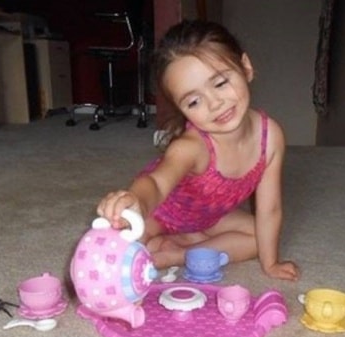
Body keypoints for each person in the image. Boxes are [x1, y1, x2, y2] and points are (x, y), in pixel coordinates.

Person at [97, 19, 299, 281]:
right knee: (117, 251)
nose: (214, 104)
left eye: (220, 83)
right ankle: (174, 240)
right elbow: (156, 185)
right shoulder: (192, 147)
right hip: (159, 214)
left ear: (246, 67)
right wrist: (136, 201)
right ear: (182, 110)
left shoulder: (270, 137)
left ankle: (179, 253)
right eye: (194, 101)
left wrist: (271, 264)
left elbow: (269, 209)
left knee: (260, 238)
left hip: (209, 218)